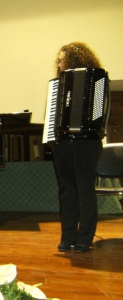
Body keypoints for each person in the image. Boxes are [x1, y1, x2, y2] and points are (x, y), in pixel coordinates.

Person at [53, 42, 105, 253]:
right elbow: (55, 114)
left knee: (85, 190)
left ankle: (84, 238)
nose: (58, 62)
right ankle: (68, 237)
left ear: (75, 59)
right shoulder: (58, 85)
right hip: (64, 142)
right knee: (66, 191)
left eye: (61, 58)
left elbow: (100, 112)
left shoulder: (98, 79)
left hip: (88, 142)